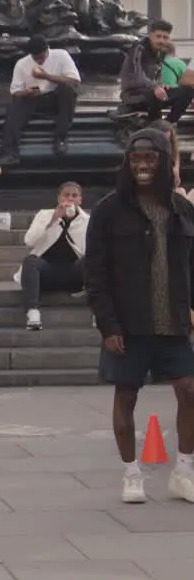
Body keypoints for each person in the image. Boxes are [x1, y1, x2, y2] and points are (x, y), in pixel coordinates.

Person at [85, 129, 194, 504]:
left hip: (175, 321)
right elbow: (95, 274)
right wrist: (108, 325)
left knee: (189, 391)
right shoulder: (108, 210)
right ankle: (131, 474)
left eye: (150, 159)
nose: (142, 166)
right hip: (128, 324)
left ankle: (183, 470)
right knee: (126, 396)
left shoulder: (182, 210)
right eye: (136, 159)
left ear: (164, 162)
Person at [17, 181, 88, 331]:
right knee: (30, 261)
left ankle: (98, 311)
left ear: (80, 200)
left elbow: (90, 250)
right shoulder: (45, 215)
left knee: (93, 260)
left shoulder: (87, 220)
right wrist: (54, 219)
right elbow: (29, 241)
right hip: (47, 272)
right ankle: (33, 313)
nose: (70, 199)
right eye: (66, 195)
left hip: (73, 274)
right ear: (59, 198)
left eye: (74, 196)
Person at [0, 35, 81, 164]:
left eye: (41, 57)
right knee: (14, 106)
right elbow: (15, 92)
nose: (39, 61)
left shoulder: (61, 55)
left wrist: (46, 76)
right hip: (33, 97)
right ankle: (9, 152)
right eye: (35, 58)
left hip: (55, 96)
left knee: (68, 90)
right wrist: (26, 92)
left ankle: (60, 138)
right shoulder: (22, 64)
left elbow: (74, 81)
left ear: (47, 49)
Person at [121, 19, 193, 124]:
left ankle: (167, 125)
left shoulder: (160, 53)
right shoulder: (138, 48)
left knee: (187, 91)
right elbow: (136, 74)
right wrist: (155, 86)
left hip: (151, 95)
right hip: (134, 95)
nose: (161, 41)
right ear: (150, 35)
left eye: (165, 37)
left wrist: (162, 85)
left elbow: (156, 74)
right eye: (158, 36)